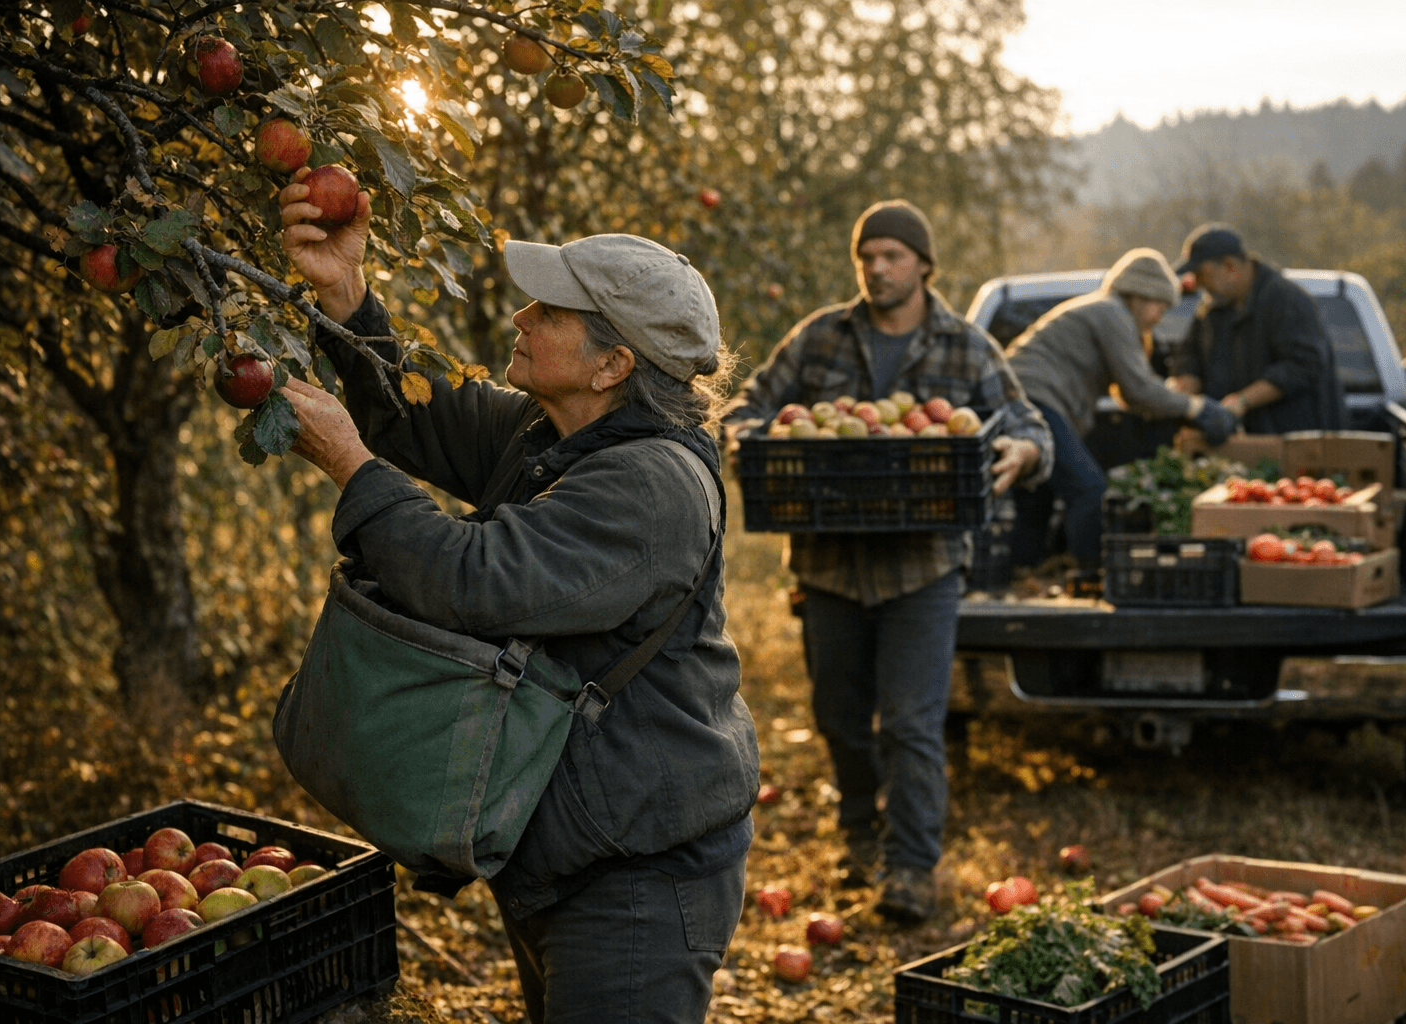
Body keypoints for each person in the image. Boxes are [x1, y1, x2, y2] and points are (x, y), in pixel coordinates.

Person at [276, 168, 759, 1024]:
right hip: (574, 844)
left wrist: (351, 466)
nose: (520, 317)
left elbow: (472, 579)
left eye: (549, 312)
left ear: (612, 363)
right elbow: (416, 416)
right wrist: (348, 299)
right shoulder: (555, 433)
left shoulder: (648, 489)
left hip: (640, 875)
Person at [723, 199, 1053, 923]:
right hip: (829, 563)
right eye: (866, 255)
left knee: (910, 721)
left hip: (922, 567)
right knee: (841, 717)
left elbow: (1028, 425)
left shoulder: (966, 347)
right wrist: (748, 437)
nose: (877, 267)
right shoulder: (818, 338)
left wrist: (1024, 452)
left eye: (892, 255)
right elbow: (751, 404)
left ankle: (910, 866)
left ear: (924, 265)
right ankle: (858, 834)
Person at [1004, 248, 1238, 569]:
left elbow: (1129, 394)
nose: (1158, 318)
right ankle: (1092, 576)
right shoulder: (1111, 313)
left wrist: (1171, 400)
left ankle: (1019, 580)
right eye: (1159, 306)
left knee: (1037, 500)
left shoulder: (1102, 311)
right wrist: (1197, 407)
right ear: (1140, 296)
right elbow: (1139, 389)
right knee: (1088, 488)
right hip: (1036, 401)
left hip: (1015, 400)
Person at [1170, 224, 1346, 434]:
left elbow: (1303, 364)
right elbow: (1189, 356)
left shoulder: (1285, 300)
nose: (1197, 283)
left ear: (1230, 267)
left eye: (1200, 274)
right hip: (1237, 443)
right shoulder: (1212, 308)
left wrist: (1242, 401)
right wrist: (1187, 397)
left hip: (1295, 441)